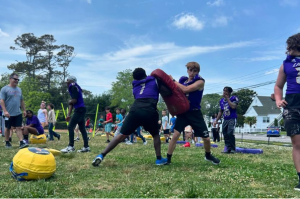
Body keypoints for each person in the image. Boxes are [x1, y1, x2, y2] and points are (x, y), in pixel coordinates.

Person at [92, 68, 168, 166]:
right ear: (145, 74)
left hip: (135, 110)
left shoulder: (135, 86)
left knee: (121, 135)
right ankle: (159, 159)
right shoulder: (155, 80)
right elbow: (167, 92)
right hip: (150, 110)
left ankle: (101, 155)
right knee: (156, 135)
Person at [167, 62, 220, 165]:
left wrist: (172, 80)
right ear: (187, 70)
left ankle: (208, 155)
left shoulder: (200, 81)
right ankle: (168, 158)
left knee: (207, 139)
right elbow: (176, 92)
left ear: (198, 72)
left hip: (195, 113)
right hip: (184, 112)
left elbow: (186, 89)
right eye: (190, 70)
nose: (192, 72)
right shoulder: (183, 80)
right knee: (175, 135)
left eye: (194, 70)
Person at [274, 33, 300, 191]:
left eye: (290, 47)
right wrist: (278, 100)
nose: (288, 50)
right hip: (292, 107)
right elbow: (278, 86)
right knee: (297, 144)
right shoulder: (285, 65)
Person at [60, 76, 90, 153]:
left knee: (70, 126)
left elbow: (74, 100)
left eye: (68, 80)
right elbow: (72, 103)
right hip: (81, 109)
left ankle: (71, 146)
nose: (66, 81)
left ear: (71, 81)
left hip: (79, 109)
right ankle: (86, 147)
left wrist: (70, 101)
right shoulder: (75, 87)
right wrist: (68, 115)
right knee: (82, 129)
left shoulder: (73, 87)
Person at [0, 73, 28, 149]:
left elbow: (21, 101)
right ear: (10, 79)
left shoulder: (19, 89)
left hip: (18, 113)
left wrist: (24, 110)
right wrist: (5, 111)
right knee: (8, 128)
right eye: (15, 79)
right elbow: (1, 101)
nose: (16, 81)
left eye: (18, 79)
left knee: (19, 127)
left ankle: (21, 142)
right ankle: (7, 142)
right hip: (8, 113)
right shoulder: (4, 89)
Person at [214, 87, 238, 153]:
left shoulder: (234, 98)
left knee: (230, 133)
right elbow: (220, 111)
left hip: (232, 118)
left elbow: (233, 106)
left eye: (226, 91)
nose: (225, 92)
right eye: (224, 91)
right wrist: (216, 120)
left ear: (229, 92)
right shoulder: (221, 101)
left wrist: (227, 99)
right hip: (225, 119)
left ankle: (233, 148)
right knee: (225, 133)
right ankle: (228, 148)